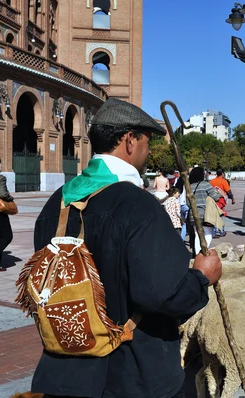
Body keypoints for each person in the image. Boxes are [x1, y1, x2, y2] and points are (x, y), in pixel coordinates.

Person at [30, 98, 222, 398]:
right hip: (131, 374)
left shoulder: (58, 202)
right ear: (130, 140)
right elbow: (164, 295)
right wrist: (201, 278)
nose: (148, 151)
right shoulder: (138, 206)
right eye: (146, 142)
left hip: (63, 373)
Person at [188, 167, 220, 256]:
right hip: (206, 214)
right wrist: (218, 192)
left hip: (193, 214)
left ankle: (197, 256)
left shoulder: (190, 187)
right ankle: (202, 254)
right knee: (208, 233)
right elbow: (216, 197)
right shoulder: (206, 185)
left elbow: (187, 203)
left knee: (197, 234)